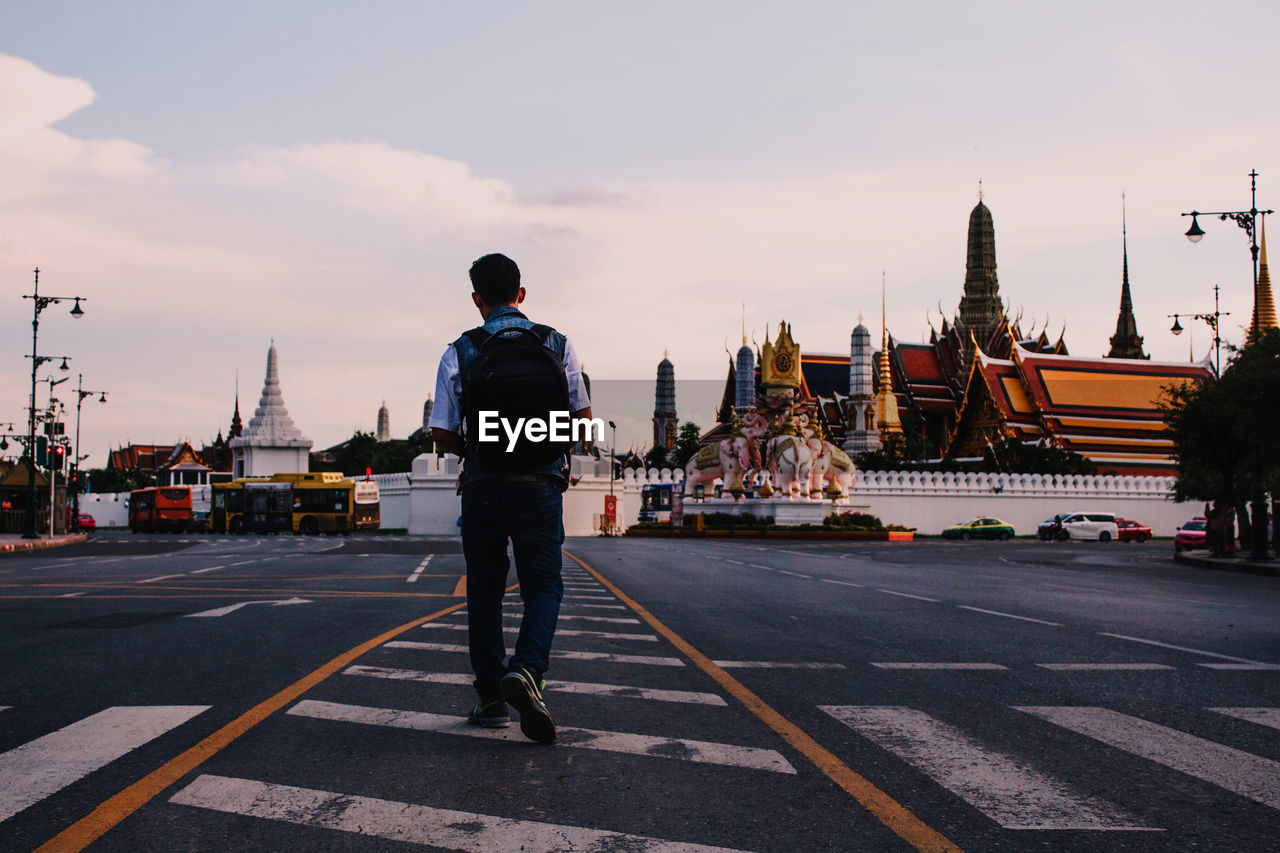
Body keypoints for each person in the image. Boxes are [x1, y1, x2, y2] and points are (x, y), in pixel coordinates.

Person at [429, 253, 590, 743]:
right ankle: (528, 671)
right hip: (540, 484)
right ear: (522, 294)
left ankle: (492, 700)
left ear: (477, 299)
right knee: (543, 585)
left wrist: (477, 447)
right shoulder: (557, 344)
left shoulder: (461, 350)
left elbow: (440, 430)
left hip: (482, 486)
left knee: (484, 589)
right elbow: (580, 420)